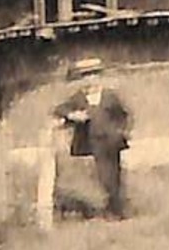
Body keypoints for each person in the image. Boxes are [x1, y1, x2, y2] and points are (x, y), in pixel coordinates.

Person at [54, 58, 132, 219]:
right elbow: (59, 109)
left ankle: (117, 211)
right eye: (85, 77)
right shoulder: (79, 98)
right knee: (103, 175)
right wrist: (73, 115)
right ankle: (108, 209)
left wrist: (121, 131)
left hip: (112, 142)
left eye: (92, 76)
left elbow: (124, 115)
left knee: (114, 174)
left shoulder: (110, 96)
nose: (89, 80)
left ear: (99, 77)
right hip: (93, 142)